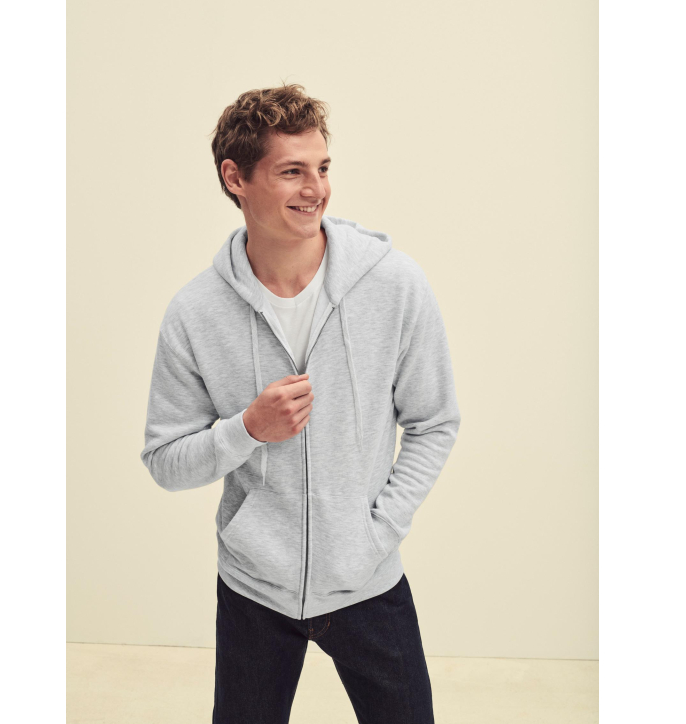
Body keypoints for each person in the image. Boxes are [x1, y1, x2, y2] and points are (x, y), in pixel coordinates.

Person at [140, 83, 461, 723]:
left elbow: (434, 422)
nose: (316, 188)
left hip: (368, 580)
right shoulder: (196, 313)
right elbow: (165, 461)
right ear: (235, 178)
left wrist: (377, 532)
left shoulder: (394, 285)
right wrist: (247, 430)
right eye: (292, 171)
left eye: (322, 167)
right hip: (254, 590)